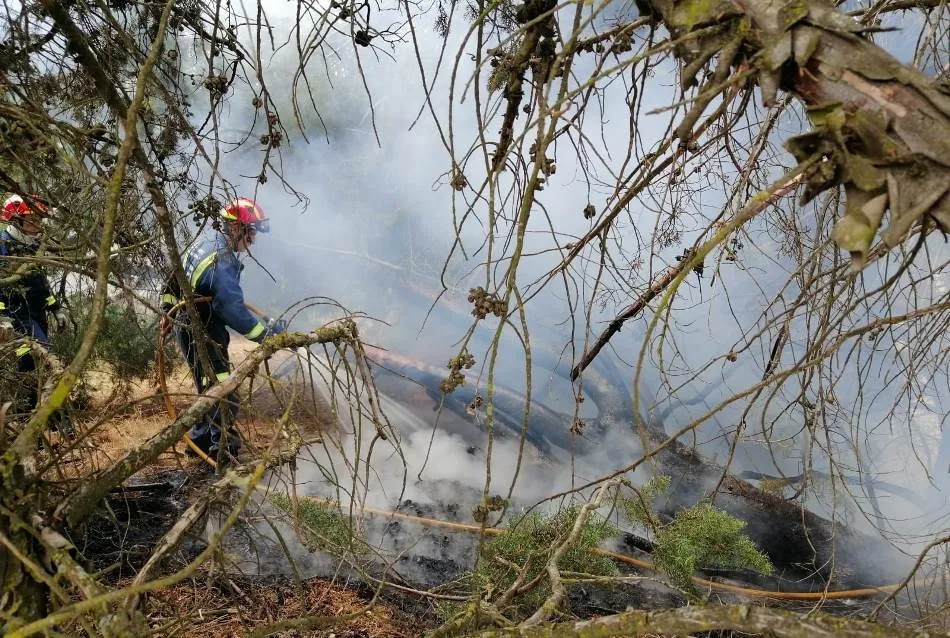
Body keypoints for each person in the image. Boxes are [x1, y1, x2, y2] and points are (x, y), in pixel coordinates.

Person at [161, 197, 287, 460]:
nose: (252, 240)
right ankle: (223, 450)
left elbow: (175, 275)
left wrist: (168, 310)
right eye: (251, 232)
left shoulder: (204, 243)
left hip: (191, 325)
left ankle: (200, 439)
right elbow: (230, 308)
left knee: (208, 385)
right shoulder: (222, 260)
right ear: (235, 227)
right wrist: (264, 336)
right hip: (203, 330)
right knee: (222, 389)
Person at [0, 194, 69, 420]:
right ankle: (59, 418)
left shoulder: (33, 245)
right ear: (16, 220)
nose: (37, 224)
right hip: (17, 316)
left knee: (28, 364)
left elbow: (42, 286)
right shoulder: (3, 246)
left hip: (37, 314)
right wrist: (3, 317)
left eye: (39, 219)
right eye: (32, 220)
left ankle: (27, 417)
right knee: (47, 358)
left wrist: (56, 309)